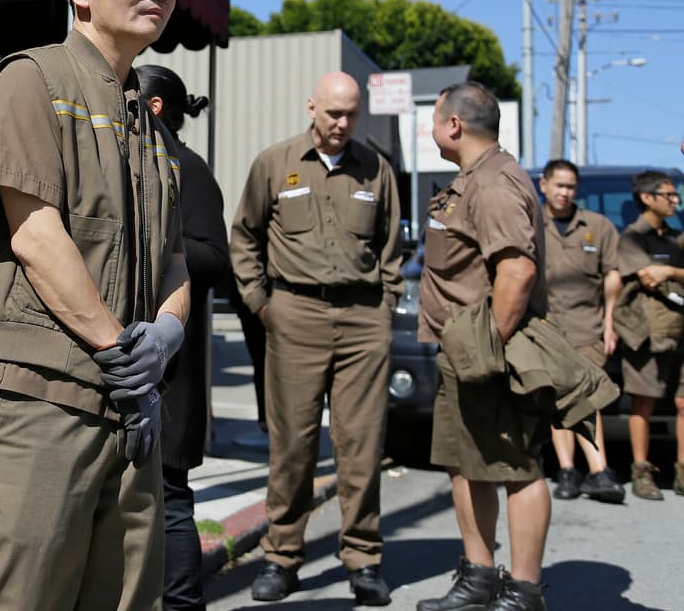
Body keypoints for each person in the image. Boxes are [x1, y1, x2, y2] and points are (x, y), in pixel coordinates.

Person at [0, 0, 202, 609]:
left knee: (126, 596)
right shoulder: (32, 80)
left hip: (132, 400)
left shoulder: (150, 125)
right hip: (44, 391)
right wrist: (120, 348)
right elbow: (36, 236)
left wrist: (168, 335)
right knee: (21, 593)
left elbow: (173, 256)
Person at [229, 71, 402, 606]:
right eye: (333, 113)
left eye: (351, 114)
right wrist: (263, 304)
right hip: (294, 315)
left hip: (362, 319)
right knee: (294, 445)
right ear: (312, 107)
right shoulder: (275, 163)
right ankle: (282, 557)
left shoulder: (377, 169)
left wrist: (386, 306)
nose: (342, 124)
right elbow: (245, 237)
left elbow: (392, 245)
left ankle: (363, 558)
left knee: (361, 446)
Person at [416, 81, 550, 611]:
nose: (432, 128)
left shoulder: (494, 183)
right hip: (462, 352)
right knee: (465, 463)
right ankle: (478, 576)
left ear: (454, 125)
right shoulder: (472, 179)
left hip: (490, 354)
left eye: (435, 118)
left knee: (515, 466)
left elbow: (516, 272)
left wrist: (488, 352)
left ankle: (524, 589)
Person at [135, 64, 228, 611]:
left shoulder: (188, 169)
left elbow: (214, 256)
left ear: (152, 109)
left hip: (172, 366)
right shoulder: (126, 162)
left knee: (169, 500)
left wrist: (149, 247)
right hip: (126, 358)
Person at [537, 159, 624, 503]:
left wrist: (610, 323)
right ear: (543, 185)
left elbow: (612, 276)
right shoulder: (529, 223)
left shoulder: (597, 226)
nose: (564, 193)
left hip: (587, 326)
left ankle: (599, 471)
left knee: (590, 398)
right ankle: (568, 471)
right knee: (557, 400)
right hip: (546, 328)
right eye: (558, 185)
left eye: (570, 187)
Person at [616, 169, 684, 501]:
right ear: (647, 198)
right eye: (669, 195)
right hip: (645, 333)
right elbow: (647, 277)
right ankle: (641, 470)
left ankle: (682, 471)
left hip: (679, 331)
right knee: (643, 401)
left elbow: (662, 276)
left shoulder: (676, 237)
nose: (676, 200)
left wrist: (671, 271)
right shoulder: (632, 238)